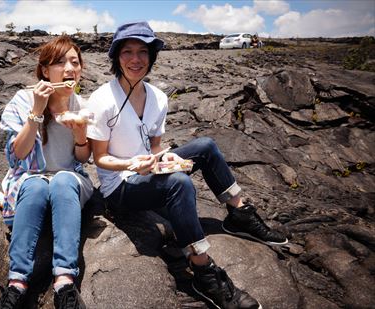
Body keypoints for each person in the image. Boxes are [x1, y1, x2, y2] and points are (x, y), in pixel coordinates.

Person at [87, 21, 287, 309]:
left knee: (205, 146)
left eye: (143, 52)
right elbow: (100, 158)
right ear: (116, 57)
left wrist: (164, 158)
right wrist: (133, 164)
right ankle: (203, 271)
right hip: (120, 187)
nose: (135, 59)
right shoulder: (102, 99)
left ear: (151, 57)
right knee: (179, 184)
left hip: (149, 170)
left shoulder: (158, 97)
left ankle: (239, 214)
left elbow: (154, 145)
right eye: (127, 51)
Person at [0, 35, 92, 309]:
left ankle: (64, 281)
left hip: (69, 178)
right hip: (30, 177)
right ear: (45, 70)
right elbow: (17, 157)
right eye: (60, 62)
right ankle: (16, 283)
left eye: (75, 62)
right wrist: (36, 112)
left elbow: (83, 159)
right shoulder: (25, 99)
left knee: (61, 180)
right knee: (36, 185)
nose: (69, 68)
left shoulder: (81, 106)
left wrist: (82, 135)